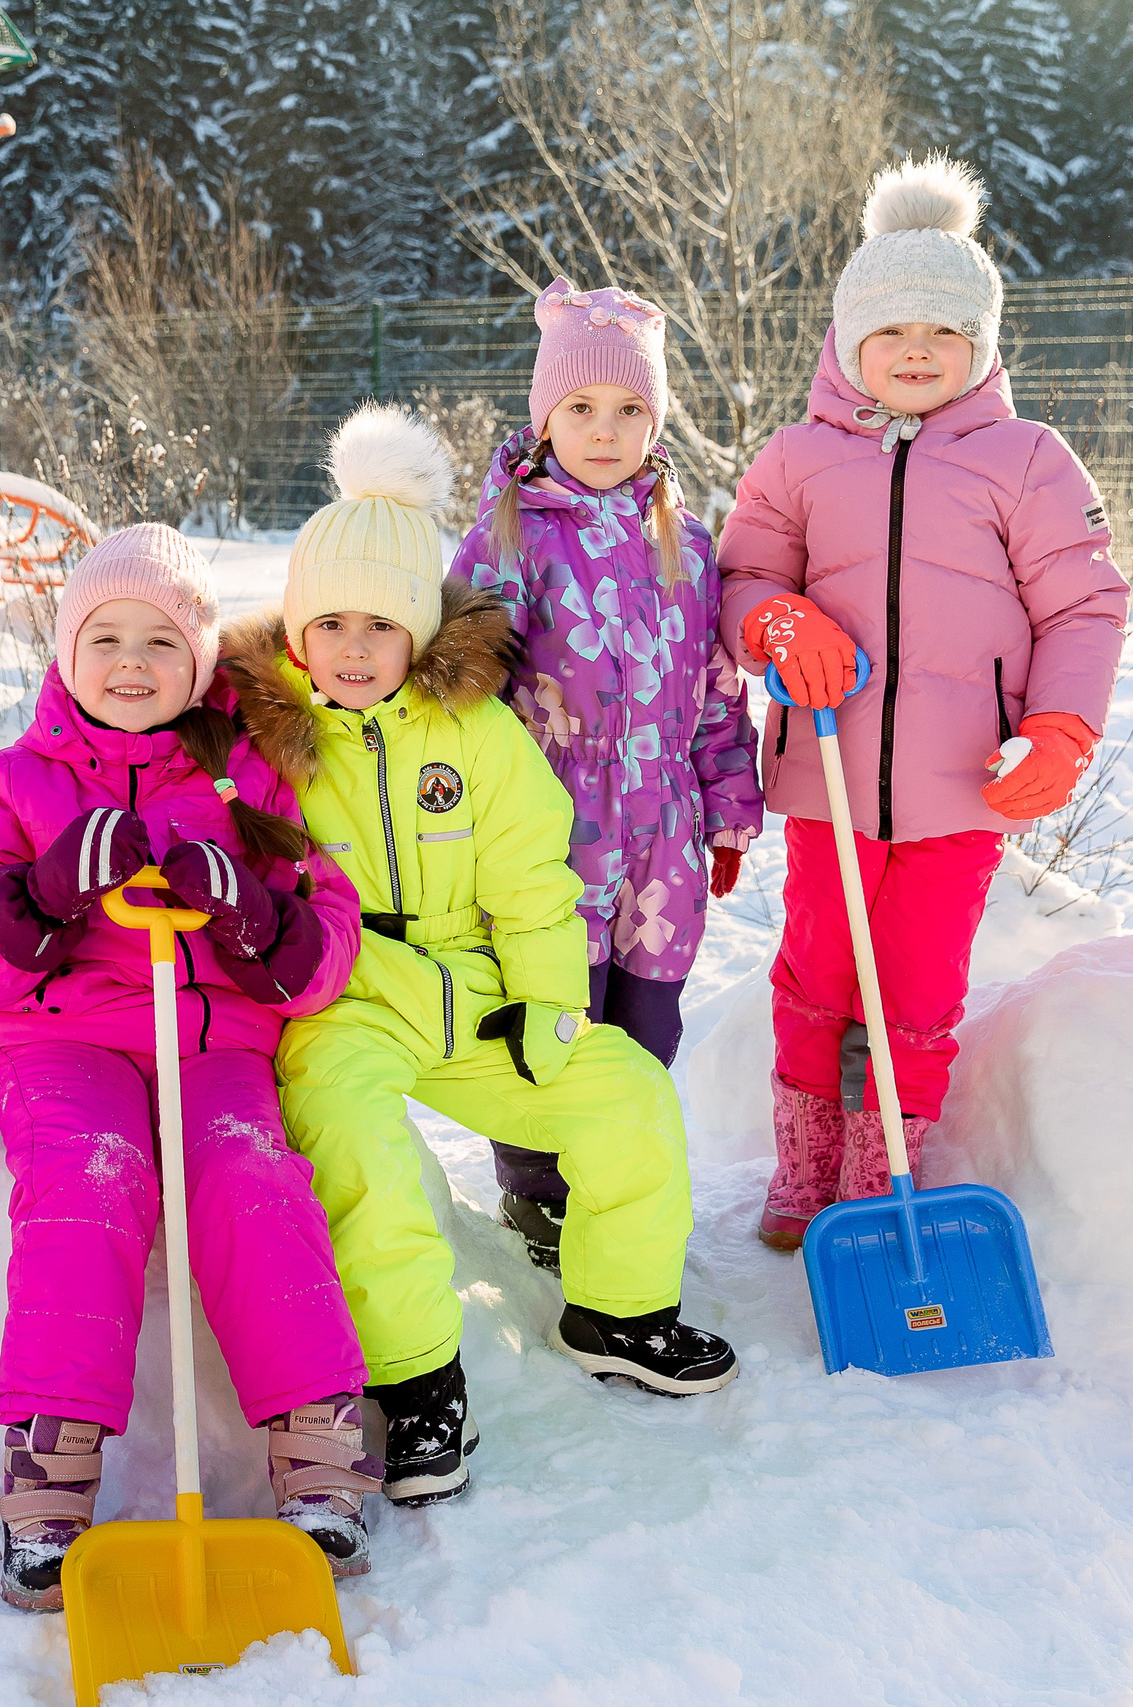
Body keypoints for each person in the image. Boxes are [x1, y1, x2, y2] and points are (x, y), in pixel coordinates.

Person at [224, 406, 739, 1512]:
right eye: (330, 623)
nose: (353, 648)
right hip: (344, 998)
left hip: (475, 987)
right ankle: (416, 1380)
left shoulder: (477, 733)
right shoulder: (262, 739)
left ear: (418, 631)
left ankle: (618, 1310)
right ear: (298, 631)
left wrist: (549, 1002)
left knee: (629, 1092)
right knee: (359, 1150)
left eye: (380, 624)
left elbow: (533, 877)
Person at [0, 524, 377, 1611]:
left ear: (201, 661)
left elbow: (325, 942)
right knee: (90, 1176)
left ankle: (318, 1455)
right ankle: (50, 1476)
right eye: (106, 638)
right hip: (61, 1040)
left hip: (211, 1039)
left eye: (161, 641)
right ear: (67, 654)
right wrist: (41, 895)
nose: (132, 662)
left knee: (250, 1172)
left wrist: (250, 911)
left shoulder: (248, 783)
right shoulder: (9, 783)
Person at [718, 155, 1129, 1250]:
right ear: (847, 341)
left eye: (944, 331)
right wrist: (776, 623)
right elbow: (743, 577)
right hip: (830, 772)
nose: (915, 349)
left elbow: (1084, 604)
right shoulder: (797, 459)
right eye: (891, 329)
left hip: (961, 786)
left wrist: (1061, 727)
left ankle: (880, 1174)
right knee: (817, 971)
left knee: (916, 986)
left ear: (981, 346)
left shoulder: (1028, 461)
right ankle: (805, 1163)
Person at [452, 277, 764, 1273]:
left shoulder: (687, 544)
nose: (604, 429)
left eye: (630, 409)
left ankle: (617, 1177)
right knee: (554, 1009)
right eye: (581, 406)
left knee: (645, 1017)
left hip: (663, 833)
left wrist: (727, 808)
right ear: (546, 414)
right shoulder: (508, 539)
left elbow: (716, 691)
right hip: (549, 825)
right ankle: (537, 1190)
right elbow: (464, 701)